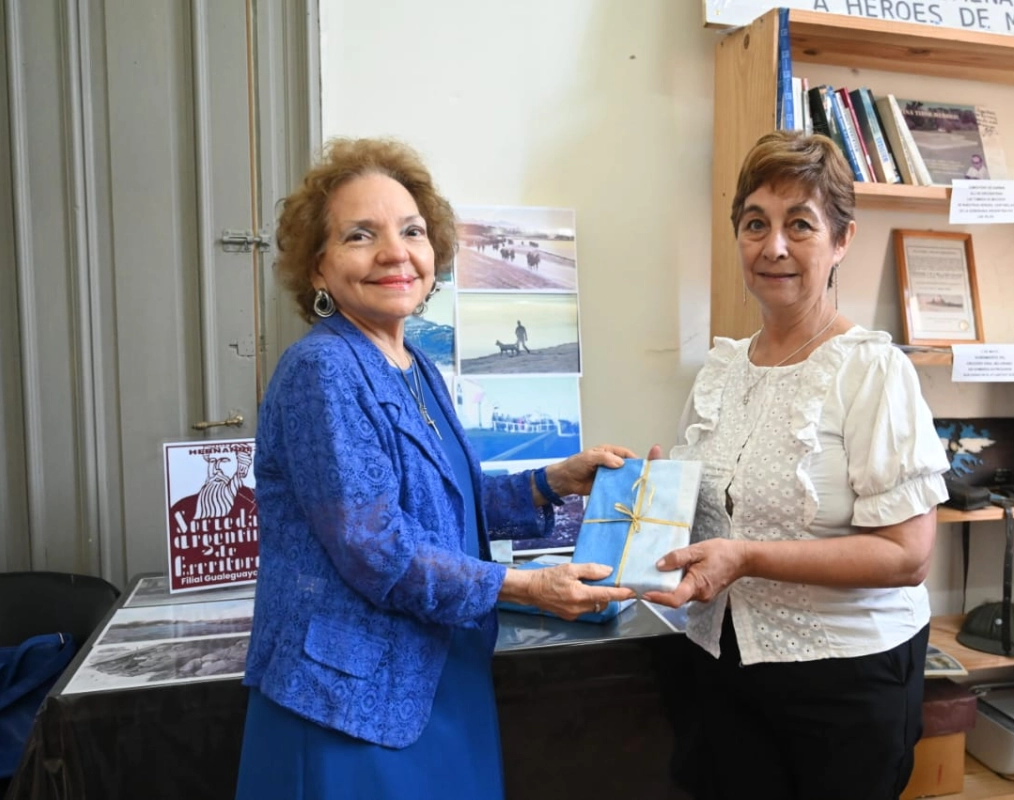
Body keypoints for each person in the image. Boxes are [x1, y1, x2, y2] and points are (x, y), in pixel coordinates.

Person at [236, 137, 637, 800]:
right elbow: (378, 548)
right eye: (360, 235)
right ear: (317, 268)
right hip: (348, 708)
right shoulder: (322, 370)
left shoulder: (415, 365)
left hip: (438, 677)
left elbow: (447, 502)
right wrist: (527, 587)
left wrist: (553, 481)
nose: (395, 252)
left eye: (412, 231)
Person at [643, 131, 949, 800]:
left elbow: (907, 556)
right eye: (755, 224)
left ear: (841, 241)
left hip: (844, 684)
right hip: (722, 665)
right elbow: (710, 517)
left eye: (800, 225)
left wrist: (747, 557)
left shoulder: (872, 370)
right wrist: (649, 500)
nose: (773, 246)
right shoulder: (721, 369)